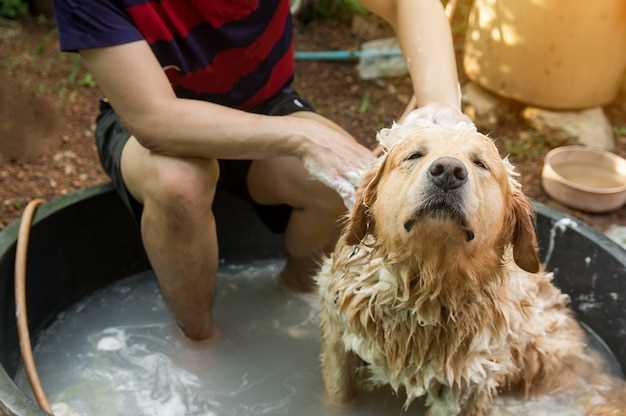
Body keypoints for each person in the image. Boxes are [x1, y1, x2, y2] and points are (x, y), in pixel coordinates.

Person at [53, 0, 470, 340]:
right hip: (151, 128)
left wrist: (441, 112)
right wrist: (304, 138)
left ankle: (298, 295)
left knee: (345, 179)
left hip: (263, 100)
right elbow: (155, 121)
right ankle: (199, 342)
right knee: (180, 182)